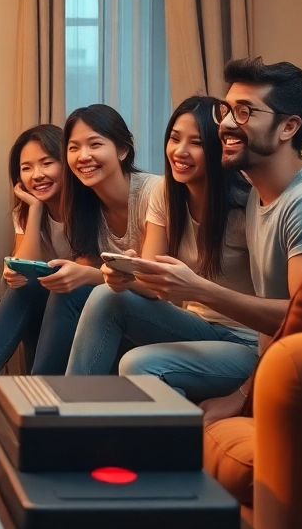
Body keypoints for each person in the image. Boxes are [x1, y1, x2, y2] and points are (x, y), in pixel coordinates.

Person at [128, 57, 302, 421]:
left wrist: (199, 289)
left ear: (289, 126)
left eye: (244, 112)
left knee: (142, 365)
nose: (224, 124)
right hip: (264, 356)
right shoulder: (258, 193)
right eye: (226, 110)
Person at [63, 96, 259, 401]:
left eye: (196, 142)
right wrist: (126, 275)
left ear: (220, 147)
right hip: (198, 325)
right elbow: (154, 286)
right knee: (106, 294)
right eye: (174, 138)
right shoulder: (166, 195)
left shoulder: (247, 204)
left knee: (138, 364)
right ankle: (66, 413)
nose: (180, 151)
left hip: (246, 343)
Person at [21, 105, 161, 377]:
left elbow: (154, 284)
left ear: (122, 150)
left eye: (94, 144)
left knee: (86, 291)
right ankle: (27, 394)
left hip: (160, 309)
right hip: (115, 305)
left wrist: (87, 275)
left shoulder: (153, 192)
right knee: (41, 291)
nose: (83, 156)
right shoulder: (84, 204)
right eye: (73, 148)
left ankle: (42, 397)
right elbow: (86, 267)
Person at [0, 125, 69, 418]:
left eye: (47, 162)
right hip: (48, 302)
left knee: (42, 288)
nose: (37, 175)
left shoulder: (86, 208)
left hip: (83, 303)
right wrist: (34, 209)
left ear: (66, 162)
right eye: (26, 168)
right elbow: (22, 266)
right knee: (25, 287)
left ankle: (22, 401)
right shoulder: (27, 211)